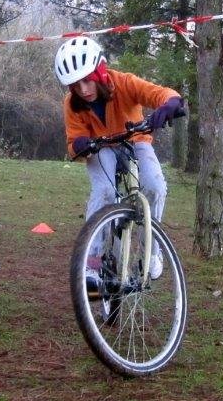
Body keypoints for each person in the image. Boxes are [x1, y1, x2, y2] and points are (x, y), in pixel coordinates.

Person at [56, 36, 183, 280]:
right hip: (100, 147)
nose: (83, 89)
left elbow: (158, 93)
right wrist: (80, 145)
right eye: (75, 85)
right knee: (103, 191)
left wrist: (170, 103)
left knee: (155, 188)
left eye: (87, 80)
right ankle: (91, 262)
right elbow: (74, 142)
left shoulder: (123, 83)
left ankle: (152, 252)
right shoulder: (72, 104)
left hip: (136, 141)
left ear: (100, 72)